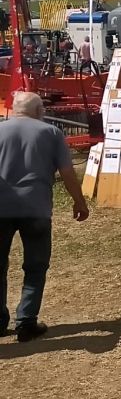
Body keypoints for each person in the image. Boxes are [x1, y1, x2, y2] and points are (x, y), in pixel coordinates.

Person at [0, 92, 89, 342]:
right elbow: (67, 171)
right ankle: (26, 322)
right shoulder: (50, 133)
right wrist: (79, 202)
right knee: (35, 266)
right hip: (36, 207)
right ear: (39, 110)